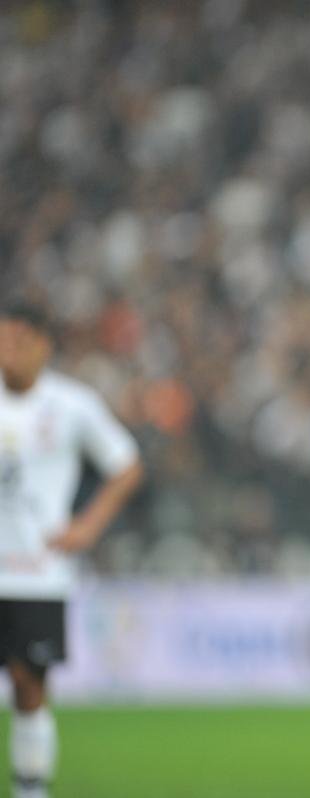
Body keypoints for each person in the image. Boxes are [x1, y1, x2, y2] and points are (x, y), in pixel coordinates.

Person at [0, 302, 143, 798]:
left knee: (29, 686)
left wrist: (88, 526)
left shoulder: (71, 404)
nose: (8, 351)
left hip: (37, 572)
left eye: (19, 342)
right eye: (2, 341)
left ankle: (30, 788)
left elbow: (126, 465)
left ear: (44, 345)